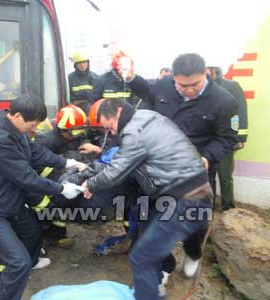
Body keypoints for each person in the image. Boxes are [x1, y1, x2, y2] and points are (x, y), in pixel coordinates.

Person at [81, 98, 213, 300]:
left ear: (118, 111)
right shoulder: (149, 116)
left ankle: (157, 288)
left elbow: (115, 171)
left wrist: (90, 184)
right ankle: (183, 262)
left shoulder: (134, 133)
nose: (111, 132)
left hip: (182, 198)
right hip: (199, 190)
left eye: (110, 125)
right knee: (163, 233)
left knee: (141, 257)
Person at [126, 53, 238, 278]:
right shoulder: (165, 85)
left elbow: (227, 139)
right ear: (174, 78)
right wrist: (131, 77)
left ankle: (193, 252)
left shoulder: (224, 101)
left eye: (194, 84)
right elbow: (148, 91)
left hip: (197, 172)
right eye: (182, 85)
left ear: (206, 72)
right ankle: (162, 264)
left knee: (195, 222)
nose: (188, 90)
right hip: (159, 168)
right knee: (153, 217)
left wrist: (207, 156)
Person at [0, 95, 86, 300]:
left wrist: (66, 163)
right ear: (18, 115)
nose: (35, 128)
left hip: (7, 199)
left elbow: (34, 151)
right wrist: (61, 188)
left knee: (32, 231)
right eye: (32, 124)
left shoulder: (13, 128)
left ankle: (25, 267)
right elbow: (25, 178)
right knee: (18, 262)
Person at [207, 66, 248, 210]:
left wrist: (240, 136)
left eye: (206, 69)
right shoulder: (201, 89)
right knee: (207, 176)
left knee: (224, 175)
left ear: (213, 70)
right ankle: (208, 208)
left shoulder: (232, 86)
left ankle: (228, 208)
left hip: (225, 139)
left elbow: (240, 111)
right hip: (206, 140)